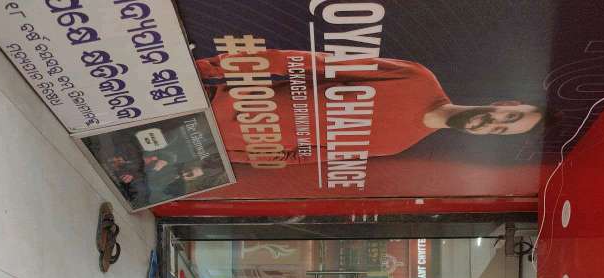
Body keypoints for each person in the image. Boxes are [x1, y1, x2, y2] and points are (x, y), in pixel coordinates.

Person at [197, 50, 543, 164]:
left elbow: (299, 156)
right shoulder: (417, 79)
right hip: (210, 96)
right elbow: (305, 62)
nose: (494, 124)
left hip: (206, 143)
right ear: (504, 104)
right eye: (509, 116)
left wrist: (221, 156)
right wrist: (207, 71)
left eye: (503, 131)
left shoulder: (398, 145)